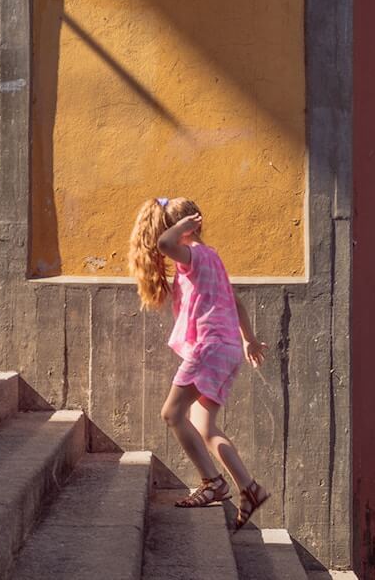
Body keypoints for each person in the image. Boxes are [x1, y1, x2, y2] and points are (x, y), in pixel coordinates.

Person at [128, 196, 272, 529]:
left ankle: (213, 482)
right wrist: (248, 339)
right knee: (204, 426)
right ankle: (249, 489)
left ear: (185, 228)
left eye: (172, 227)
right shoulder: (212, 258)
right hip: (227, 349)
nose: (166, 235)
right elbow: (235, 300)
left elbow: (164, 243)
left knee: (171, 413)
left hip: (209, 349)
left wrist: (181, 228)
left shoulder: (192, 255)